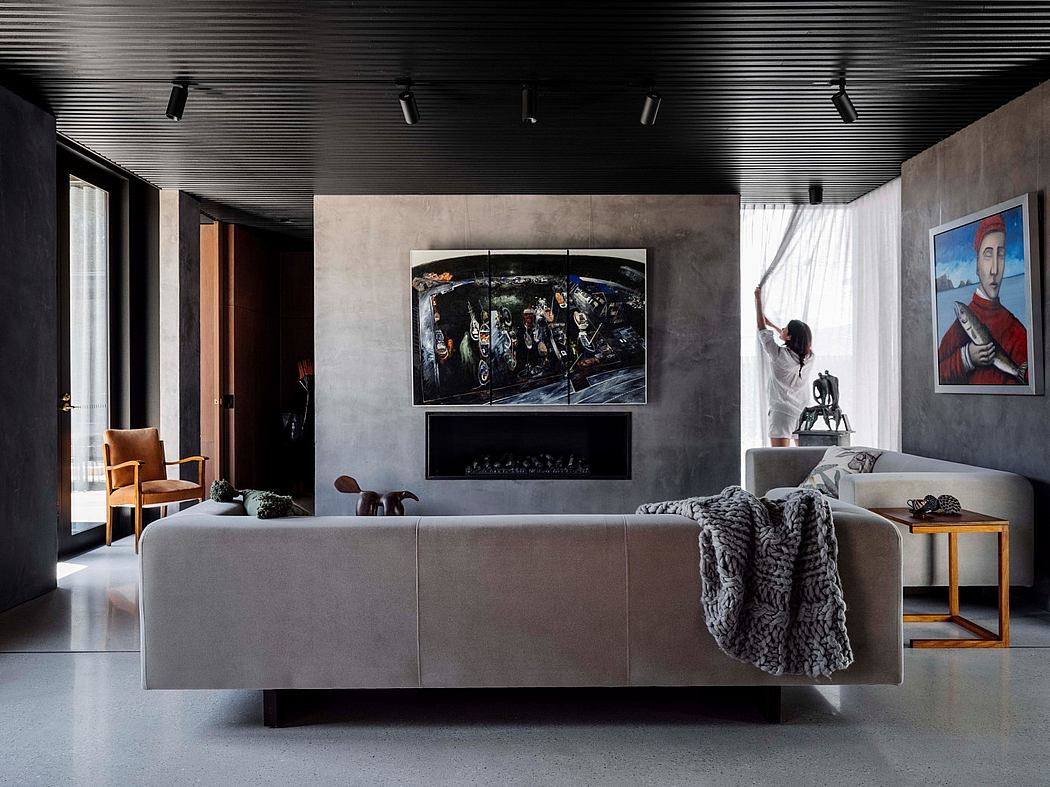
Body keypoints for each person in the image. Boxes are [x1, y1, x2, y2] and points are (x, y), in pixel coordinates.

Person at [937, 214, 1028, 384]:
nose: (994, 269)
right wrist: (966, 358)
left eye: (1000, 255)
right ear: (977, 266)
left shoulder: (1019, 332)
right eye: (987, 255)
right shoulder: (956, 330)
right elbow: (936, 374)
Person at [754, 286, 814, 447]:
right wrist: (773, 325)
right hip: (803, 414)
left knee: (780, 458)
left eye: (785, 329)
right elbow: (795, 338)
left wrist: (758, 299)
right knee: (804, 458)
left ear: (790, 336)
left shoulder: (779, 355)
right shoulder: (810, 357)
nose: (782, 329)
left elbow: (761, 330)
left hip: (782, 413)